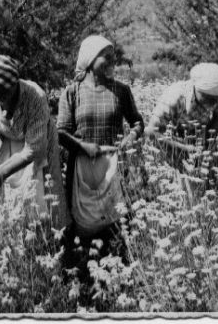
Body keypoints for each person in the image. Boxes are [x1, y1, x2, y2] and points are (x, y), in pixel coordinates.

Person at [56, 35, 144, 276]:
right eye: (105, 56)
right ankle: (83, 276)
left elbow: (137, 122)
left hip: (113, 167)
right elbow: (61, 132)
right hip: (82, 166)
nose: (111, 61)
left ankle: (119, 275)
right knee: (83, 225)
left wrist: (130, 138)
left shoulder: (121, 91)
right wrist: (83, 147)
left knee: (115, 221)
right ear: (90, 58)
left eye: (112, 56)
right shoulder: (72, 92)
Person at [0, 54, 70, 227]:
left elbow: (34, 149)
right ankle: (19, 239)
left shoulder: (34, 96)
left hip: (39, 144)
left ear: (10, 86)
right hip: (9, 146)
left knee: (47, 194)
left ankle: (53, 239)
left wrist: (1, 172)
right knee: (9, 199)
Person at [144, 62, 218, 158]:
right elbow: (151, 131)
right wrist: (183, 148)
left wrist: (207, 143)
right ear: (196, 88)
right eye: (207, 97)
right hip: (173, 138)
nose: (212, 102)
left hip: (198, 135)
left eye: (216, 98)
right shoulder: (174, 96)